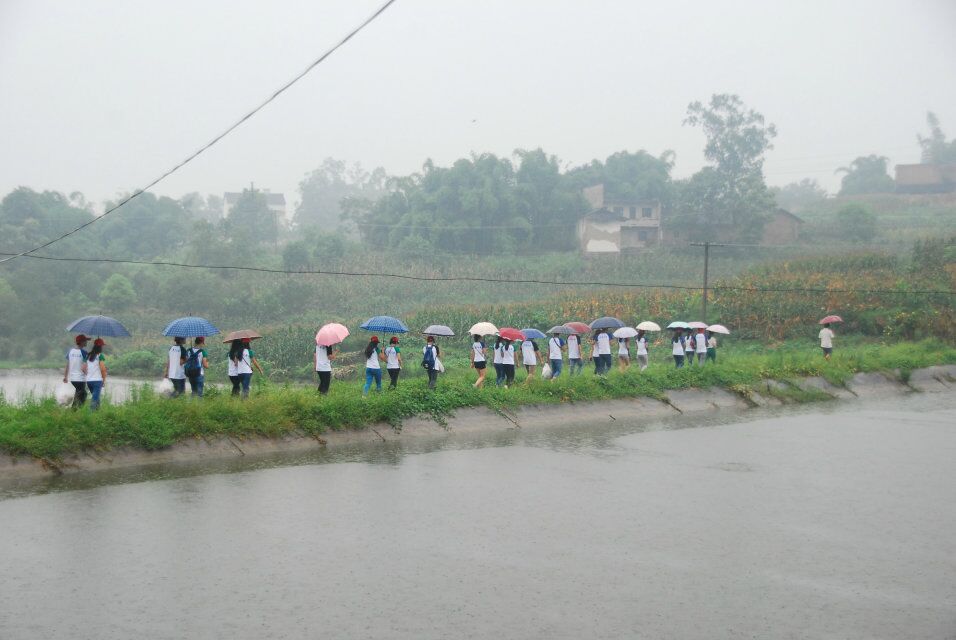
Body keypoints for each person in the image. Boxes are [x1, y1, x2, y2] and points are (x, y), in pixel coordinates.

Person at [63, 334, 88, 409]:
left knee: (79, 394)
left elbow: (68, 365)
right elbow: (85, 367)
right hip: (80, 378)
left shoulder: (71, 351)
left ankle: (74, 411)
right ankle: (75, 411)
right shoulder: (84, 353)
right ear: (82, 342)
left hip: (73, 378)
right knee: (83, 394)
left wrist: (65, 377)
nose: (87, 342)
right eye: (85, 340)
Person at [85, 338, 108, 411]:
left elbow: (84, 368)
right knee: (94, 399)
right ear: (100, 347)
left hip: (89, 381)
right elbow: (103, 369)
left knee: (96, 398)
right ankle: (89, 416)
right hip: (97, 381)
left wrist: (89, 374)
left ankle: (98, 413)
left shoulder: (88, 355)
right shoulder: (100, 356)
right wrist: (103, 380)